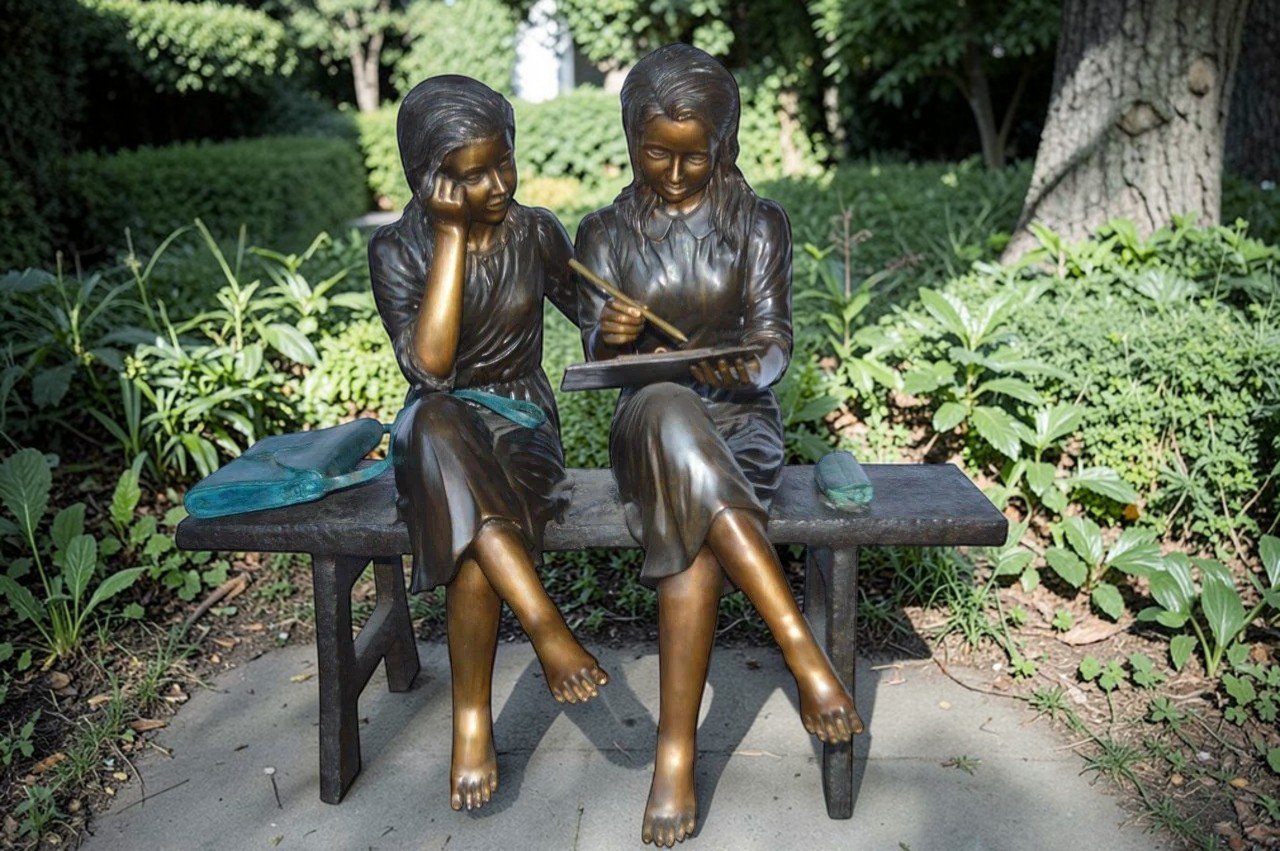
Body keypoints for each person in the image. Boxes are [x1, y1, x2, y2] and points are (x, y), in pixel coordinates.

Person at [574, 44, 861, 847]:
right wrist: (611, 334)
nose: (672, 171)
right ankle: (801, 650)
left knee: (695, 545)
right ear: (631, 136)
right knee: (665, 402)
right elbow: (595, 365)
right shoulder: (603, 233)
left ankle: (674, 751)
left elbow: (777, 339)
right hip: (648, 432)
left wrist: (749, 360)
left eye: (692, 156)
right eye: (654, 151)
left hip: (741, 427)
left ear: (723, 143)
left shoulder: (759, 223)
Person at [369, 75, 608, 813]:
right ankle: (546, 627)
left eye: (504, 161)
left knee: (474, 536)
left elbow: (593, 316)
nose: (499, 183)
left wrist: (622, 323)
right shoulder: (397, 251)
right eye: (474, 174)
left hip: (523, 426)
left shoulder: (534, 232)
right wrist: (449, 236)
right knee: (439, 421)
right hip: (439, 435)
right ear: (429, 179)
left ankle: (470, 721)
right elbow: (431, 367)